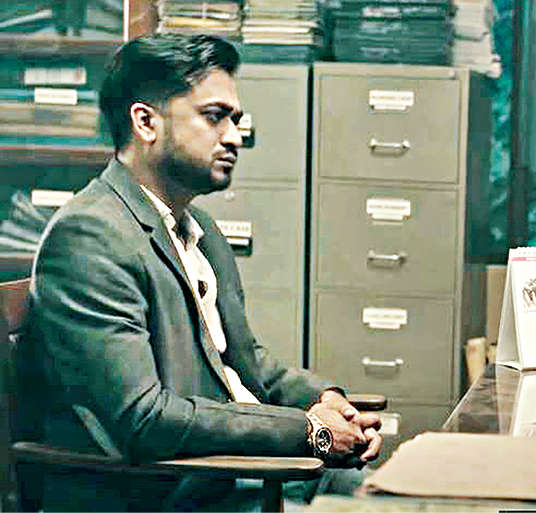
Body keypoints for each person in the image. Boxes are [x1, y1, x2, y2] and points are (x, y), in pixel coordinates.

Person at [24, 34, 382, 511]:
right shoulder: (90, 236)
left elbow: (241, 360)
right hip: (181, 492)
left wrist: (326, 400)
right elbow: (144, 418)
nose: (234, 136)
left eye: (235, 119)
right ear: (145, 122)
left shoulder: (199, 229)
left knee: (407, 492)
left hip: (248, 471)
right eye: (215, 117)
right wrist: (309, 431)